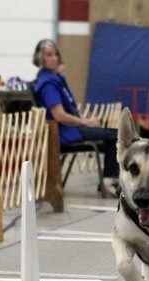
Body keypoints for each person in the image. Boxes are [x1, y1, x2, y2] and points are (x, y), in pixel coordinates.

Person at [32, 39, 120, 192]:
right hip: (64, 133)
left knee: (111, 136)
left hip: (70, 129)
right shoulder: (48, 84)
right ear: (41, 59)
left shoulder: (56, 78)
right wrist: (84, 122)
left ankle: (110, 179)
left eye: (56, 54)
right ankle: (109, 182)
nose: (54, 58)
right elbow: (59, 116)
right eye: (49, 55)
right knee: (115, 135)